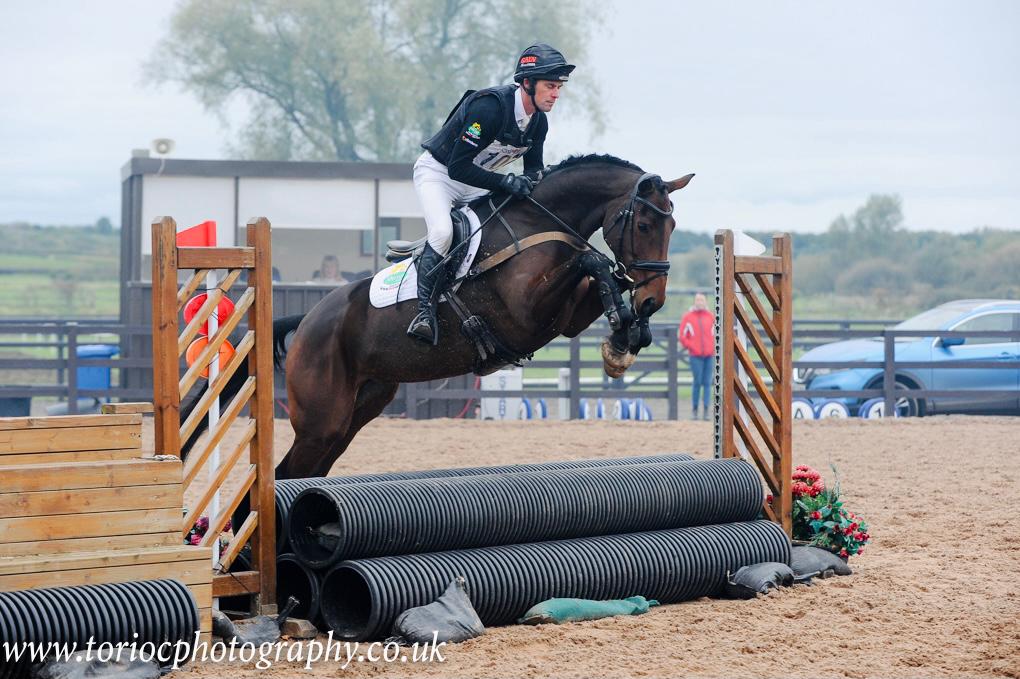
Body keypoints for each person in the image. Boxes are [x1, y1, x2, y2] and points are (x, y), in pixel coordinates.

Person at [407, 43, 575, 344]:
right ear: (527, 83)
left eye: (558, 87)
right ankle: (424, 314)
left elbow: (532, 170)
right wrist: (505, 182)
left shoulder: (538, 122)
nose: (556, 94)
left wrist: (540, 183)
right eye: (550, 86)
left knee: (498, 234)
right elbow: (458, 167)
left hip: (477, 182)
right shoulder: (489, 107)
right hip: (439, 174)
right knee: (444, 233)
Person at [679, 292, 715, 420]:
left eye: (702, 300)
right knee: (697, 382)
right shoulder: (688, 317)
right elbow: (682, 336)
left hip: (709, 355)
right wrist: (692, 346)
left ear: (705, 301)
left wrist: (713, 347)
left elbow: (717, 334)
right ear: (695, 301)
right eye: (698, 300)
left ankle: (706, 410)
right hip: (695, 356)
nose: (700, 302)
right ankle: (694, 410)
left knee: (707, 383)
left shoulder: (711, 317)